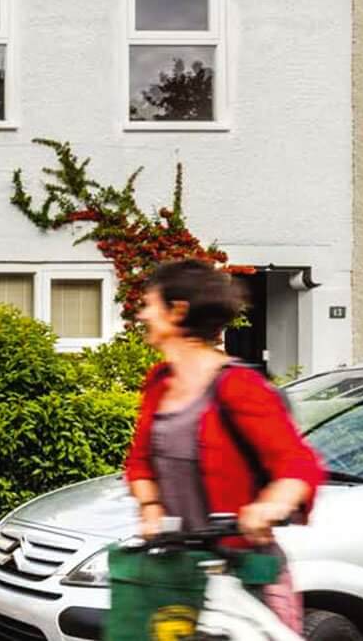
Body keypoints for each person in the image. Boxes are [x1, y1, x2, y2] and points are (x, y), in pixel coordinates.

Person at [123, 260, 325, 633]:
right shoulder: (159, 383)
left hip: (245, 575)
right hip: (182, 571)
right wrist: (150, 507)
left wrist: (268, 507)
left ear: (178, 310)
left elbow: (298, 465)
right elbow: (139, 463)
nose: (142, 314)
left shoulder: (237, 386)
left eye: (149, 304)